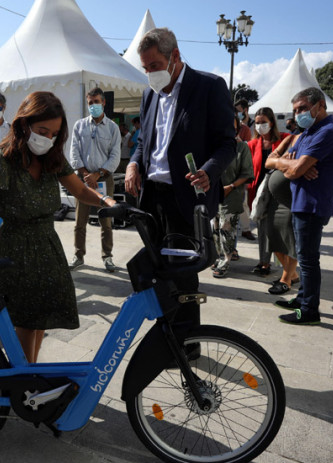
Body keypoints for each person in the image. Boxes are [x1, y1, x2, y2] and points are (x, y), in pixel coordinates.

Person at [0, 91, 116, 363]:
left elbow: (80, 191)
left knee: (40, 320)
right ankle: (24, 382)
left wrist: (106, 200)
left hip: (47, 246)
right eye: (42, 130)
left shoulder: (52, 157)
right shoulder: (1, 161)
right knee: (27, 321)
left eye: (54, 133)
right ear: (24, 123)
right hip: (16, 250)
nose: (48, 139)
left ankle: (28, 375)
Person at [125, 27, 236, 332]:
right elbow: (144, 144)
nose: (150, 74)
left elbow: (227, 142)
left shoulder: (208, 86)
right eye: (145, 68)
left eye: (155, 66)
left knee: (184, 275)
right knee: (158, 271)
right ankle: (166, 338)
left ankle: (188, 344)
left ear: (174, 56)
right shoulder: (149, 94)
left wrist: (209, 171)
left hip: (186, 198)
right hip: (152, 198)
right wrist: (134, 165)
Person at [271, 87, 333, 325]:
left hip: (313, 205)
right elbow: (272, 162)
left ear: (320, 105)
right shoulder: (306, 133)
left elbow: (293, 170)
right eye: (296, 110)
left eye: (303, 108)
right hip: (301, 202)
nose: (299, 114)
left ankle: (309, 310)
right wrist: (288, 164)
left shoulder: (328, 131)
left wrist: (292, 168)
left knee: (309, 260)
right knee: (304, 257)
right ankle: (302, 298)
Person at [68, 87, 121, 272]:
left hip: (103, 179)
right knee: (79, 221)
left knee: (106, 221)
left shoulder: (113, 128)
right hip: (82, 179)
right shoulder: (79, 126)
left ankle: (107, 256)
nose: (93, 106)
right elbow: (74, 152)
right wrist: (85, 174)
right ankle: (78, 255)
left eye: (96, 102)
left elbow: (115, 155)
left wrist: (98, 174)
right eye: (90, 103)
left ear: (104, 102)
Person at [247, 107, 290, 277]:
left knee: (279, 229)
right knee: (263, 229)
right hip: (260, 193)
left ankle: (287, 268)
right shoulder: (252, 144)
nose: (260, 126)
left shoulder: (285, 139)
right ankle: (263, 262)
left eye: (263, 122)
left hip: (280, 192)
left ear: (272, 122)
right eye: (257, 123)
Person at [212, 113, 254, 278]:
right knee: (215, 226)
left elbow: (246, 173)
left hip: (232, 193)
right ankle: (219, 256)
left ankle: (226, 260)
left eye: (233, 125)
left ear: (237, 128)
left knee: (226, 227)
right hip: (215, 194)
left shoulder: (242, 147)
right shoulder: (215, 146)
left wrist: (230, 186)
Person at [264, 132, 299, 294]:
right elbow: (268, 162)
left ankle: (286, 279)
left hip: (293, 199)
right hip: (275, 200)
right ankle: (293, 273)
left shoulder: (312, 139)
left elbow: (299, 168)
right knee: (272, 237)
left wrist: (279, 162)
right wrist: (283, 162)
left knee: (290, 239)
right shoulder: (290, 138)